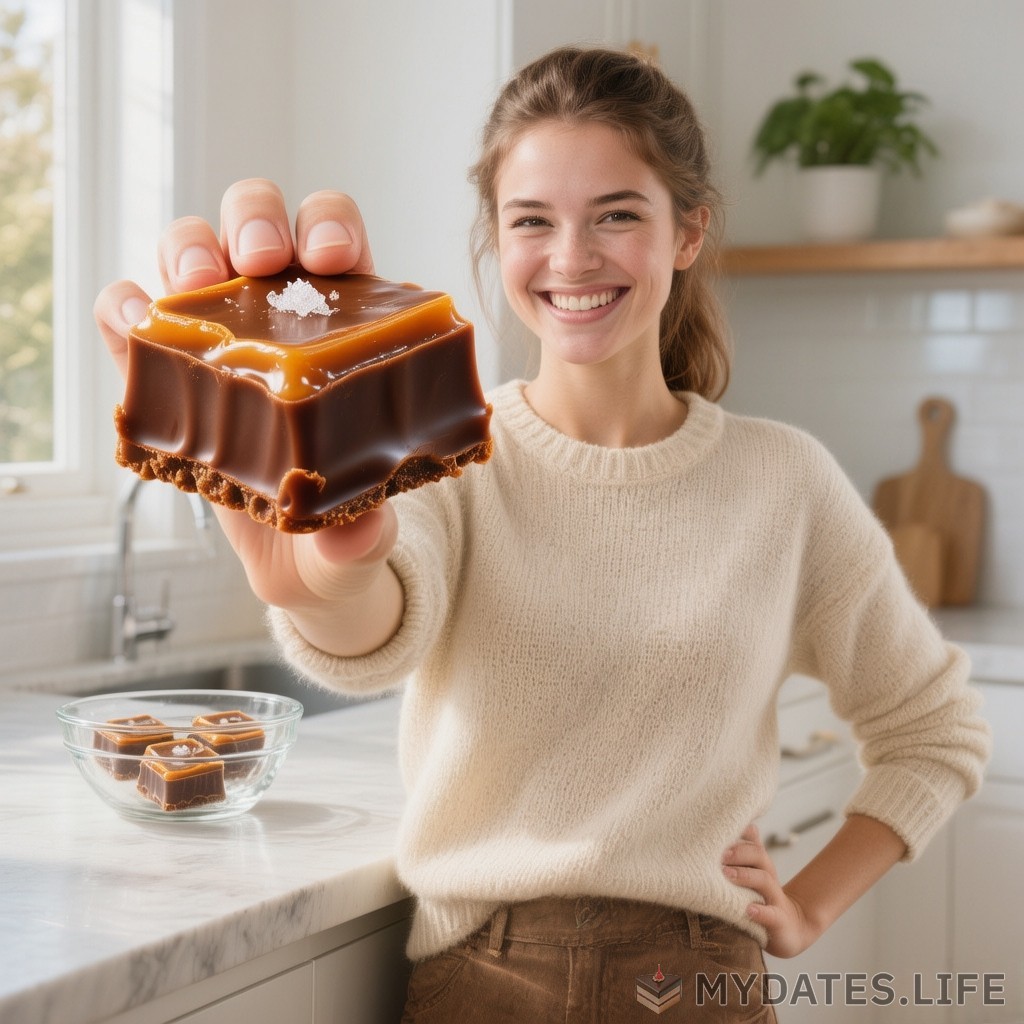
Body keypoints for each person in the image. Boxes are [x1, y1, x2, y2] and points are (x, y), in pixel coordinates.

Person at [95, 45, 990, 1024]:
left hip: (696, 985)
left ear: (687, 231)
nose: (571, 257)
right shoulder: (445, 450)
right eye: (532, 220)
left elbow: (932, 730)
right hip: (481, 983)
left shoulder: (784, 482)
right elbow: (375, 606)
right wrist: (314, 577)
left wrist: (807, 906)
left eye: (616, 214)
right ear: (495, 236)